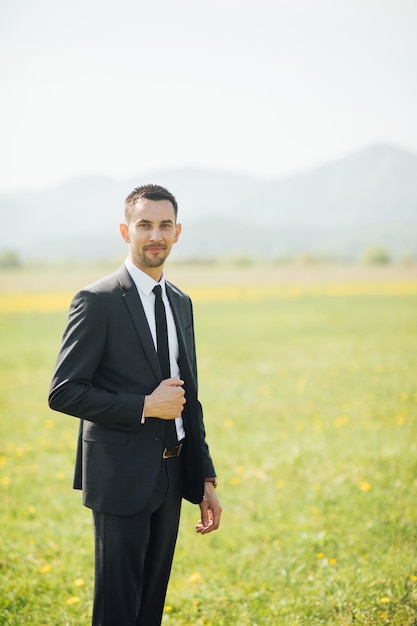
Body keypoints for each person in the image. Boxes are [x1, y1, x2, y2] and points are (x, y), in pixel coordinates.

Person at [48, 184, 222, 626]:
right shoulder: (97, 300)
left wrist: (204, 475)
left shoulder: (180, 301)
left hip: (172, 470)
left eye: (165, 225)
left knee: (150, 605)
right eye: (145, 225)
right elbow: (64, 391)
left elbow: (190, 398)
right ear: (126, 230)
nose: (155, 235)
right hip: (120, 476)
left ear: (178, 232)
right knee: (118, 608)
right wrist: (144, 405)